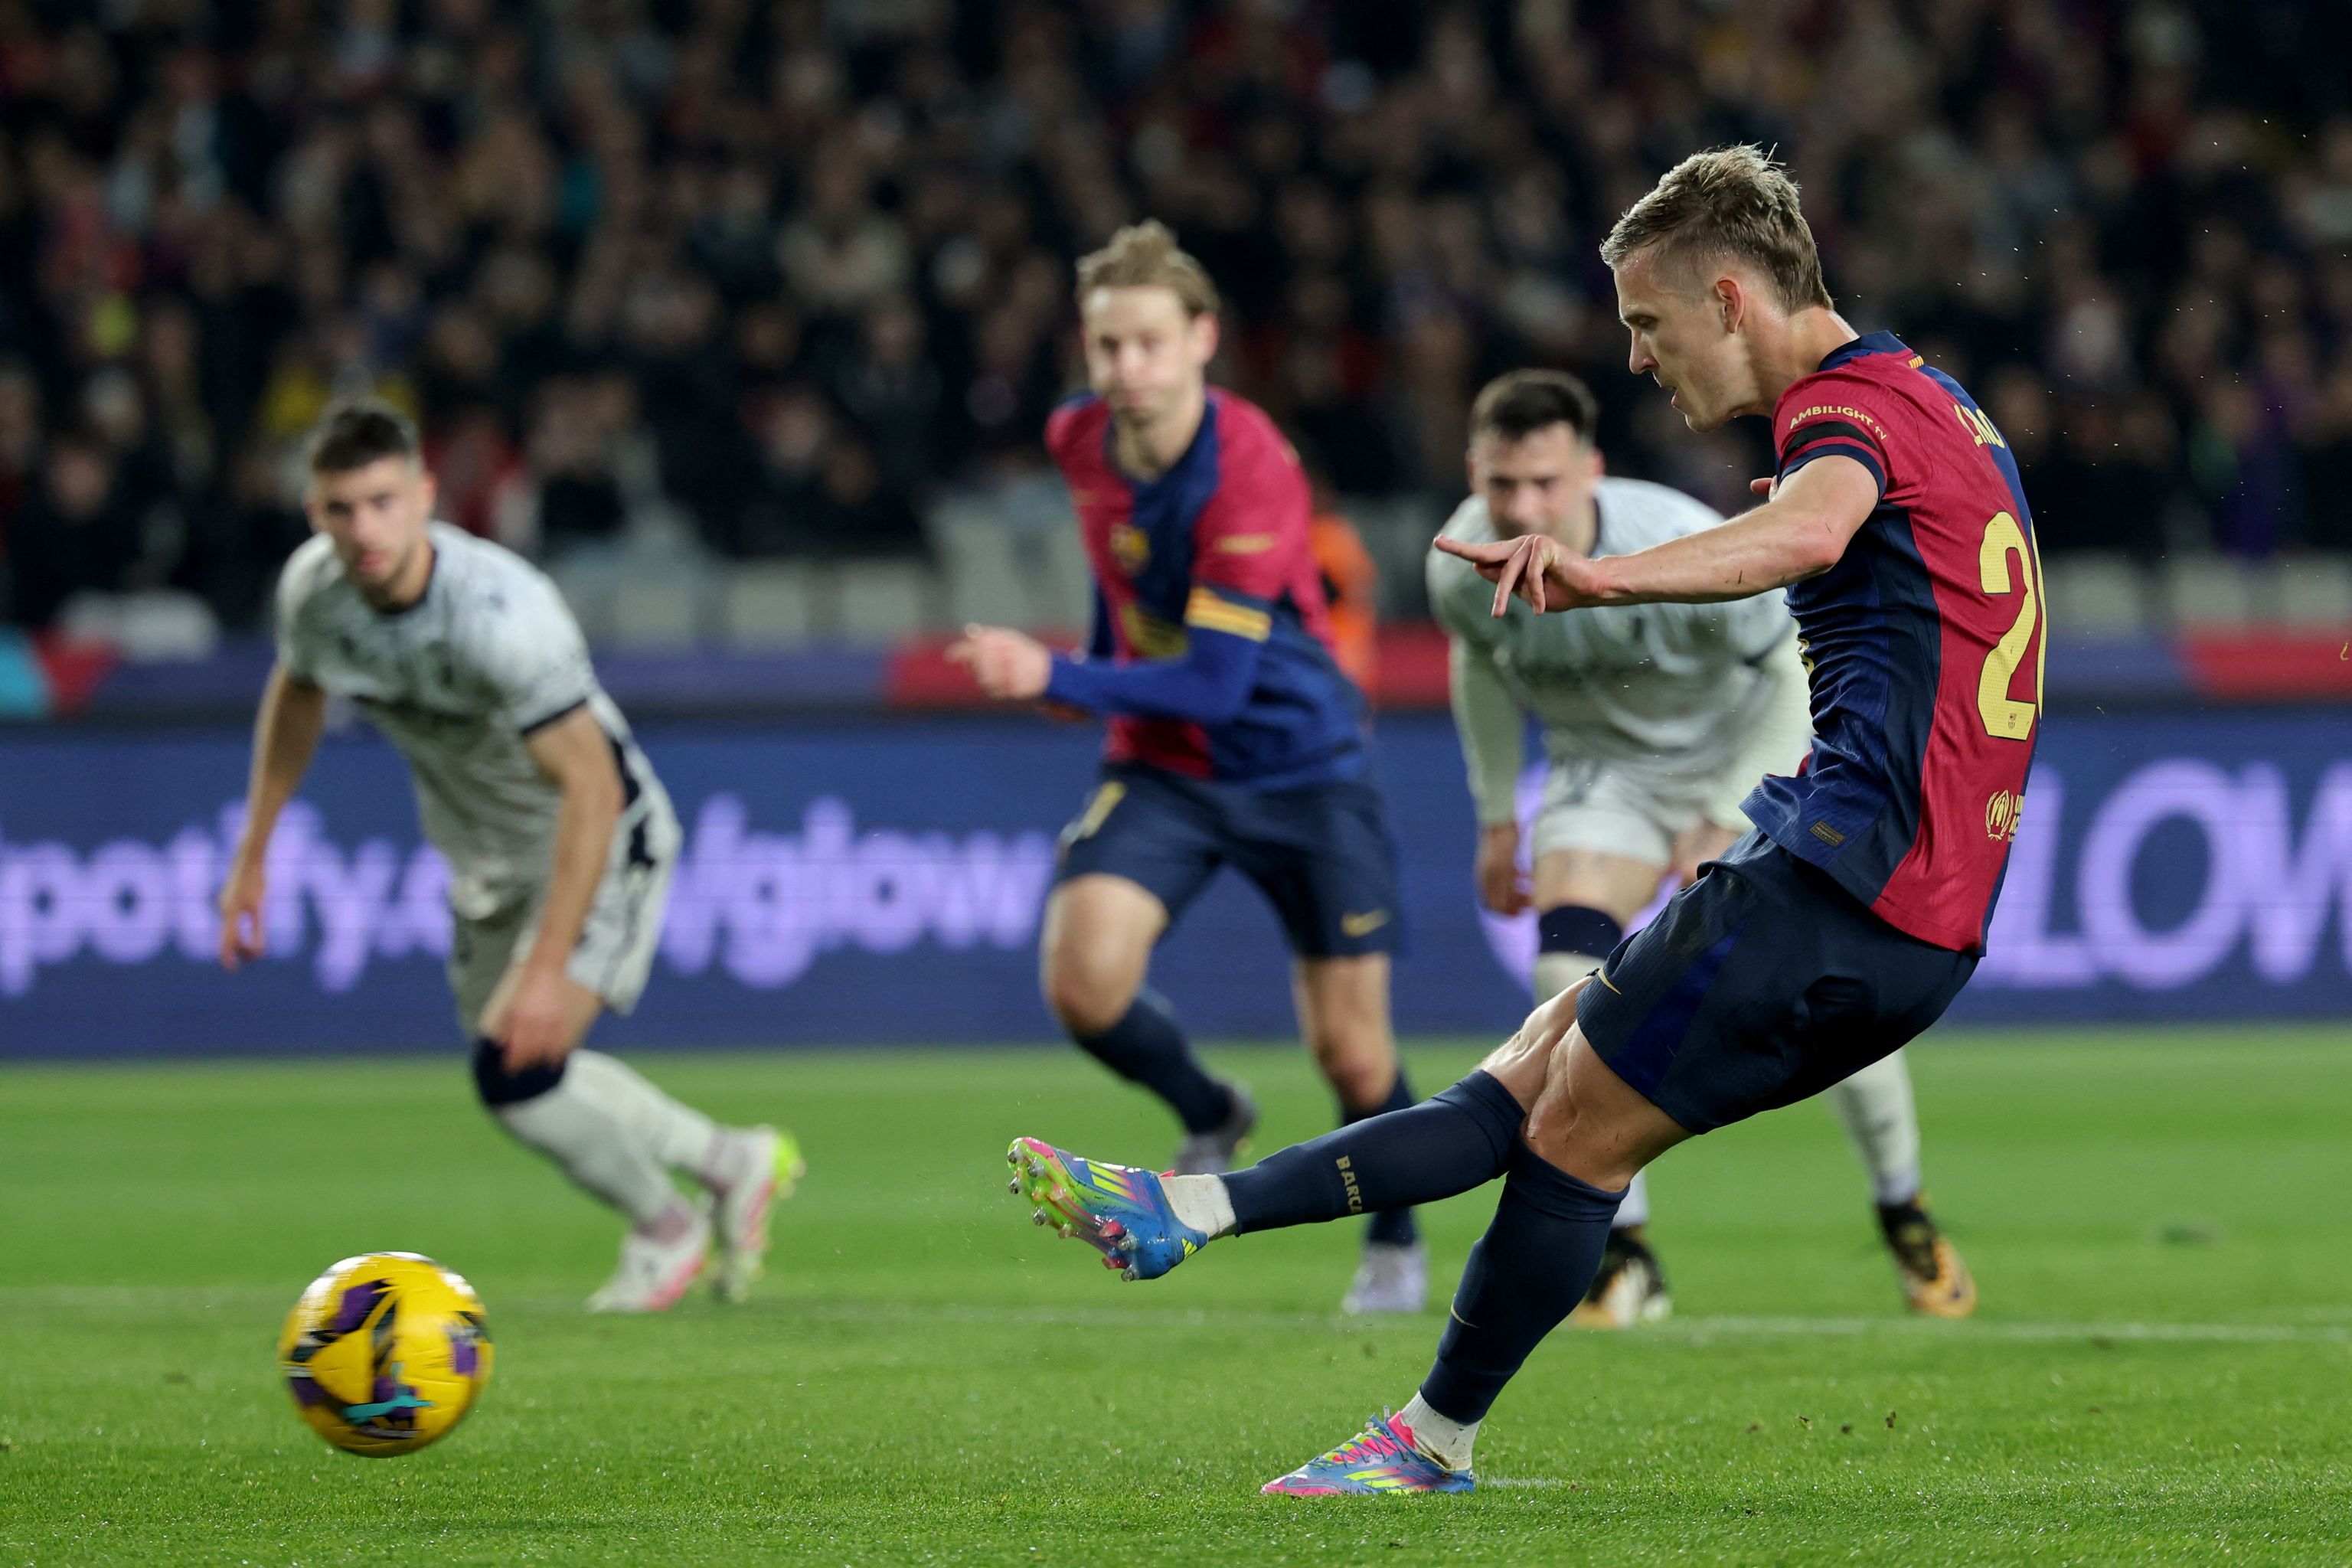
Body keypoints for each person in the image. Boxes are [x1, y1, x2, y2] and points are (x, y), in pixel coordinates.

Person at [1006, 146, 2046, 1494]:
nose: (1635, 358)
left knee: (1568, 1129)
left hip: (1848, 886)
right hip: (1884, 888)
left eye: (1646, 323)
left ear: (1730, 300)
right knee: (1528, 1071)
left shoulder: (1835, 417)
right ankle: (1191, 1207)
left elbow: (1808, 534)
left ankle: (1430, 1438)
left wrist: (1601, 577)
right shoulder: (1933, 396)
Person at [218, 400, 800, 1314]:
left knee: (515, 1066)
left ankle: (666, 1226)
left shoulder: (503, 614)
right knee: (529, 1067)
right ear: (313, 512)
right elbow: (297, 693)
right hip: (486, 857)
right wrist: (253, 851)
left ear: (424, 496)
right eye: (341, 508)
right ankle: (734, 1161)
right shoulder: (315, 595)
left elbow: (594, 788)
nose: (364, 529)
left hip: (600, 837)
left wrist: (544, 967)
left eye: (381, 501)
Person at [1429, 368, 1974, 1327]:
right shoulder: (1459, 568)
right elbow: (1479, 660)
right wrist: (1495, 814)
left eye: (1545, 485)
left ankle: (1904, 1206)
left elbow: (1789, 673)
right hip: (1611, 775)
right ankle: (1625, 1255)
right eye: (1503, 486)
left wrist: (1729, 810)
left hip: (1745, 755)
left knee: (1835, 1009)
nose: (1523, 508)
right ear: (1475, 472)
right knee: (1566, 960)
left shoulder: (1674, 540)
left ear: (1589, 471)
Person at [949, 222, 1423, 1315]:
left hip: (1303, 768)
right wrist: (1090, 675)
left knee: (1355, 1060)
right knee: (1082, 978)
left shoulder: (1251, 467)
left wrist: (1053, 671)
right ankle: (1211, 1108)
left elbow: (1215, 683)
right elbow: (1125, 593)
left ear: (1203, 340)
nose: (1125, 371)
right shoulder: (1078, 439)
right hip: (1165, 769)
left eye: (1148, 344)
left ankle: (1395, 1237)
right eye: (1106, 346)